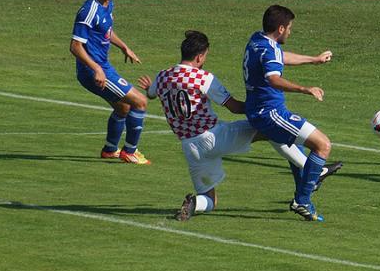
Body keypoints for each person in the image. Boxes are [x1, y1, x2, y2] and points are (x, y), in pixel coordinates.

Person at [137, 30, 341, 221]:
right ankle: (312, 171)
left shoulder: (163, 76)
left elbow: (152, 93)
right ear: (199, 57)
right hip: (213, 137)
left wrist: (148, 89)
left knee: (210, 201)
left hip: (189, 147)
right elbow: (234, 107)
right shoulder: (203, 78)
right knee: (270, 128)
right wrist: (257, 108)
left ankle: (193, 204)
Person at [244, 5, 334, 222]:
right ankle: (302, 199)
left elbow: (280, 57)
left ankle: (305, 193)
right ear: (281, 28)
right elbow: (273, 78)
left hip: (261, 109)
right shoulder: (270, 48)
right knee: (323, 145)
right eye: (290, 28)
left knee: (298, 147)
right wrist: (305, 89)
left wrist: (314, 59)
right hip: (269, 113)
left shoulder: (257, 40)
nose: (291, 32)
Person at [70, 0, 150, 164]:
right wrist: (96, 69)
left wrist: (124, 47)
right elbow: (75, 46)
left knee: (123, 107)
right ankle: (130, 151)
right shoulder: (89, 11)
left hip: (102, 66)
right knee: (140, 102)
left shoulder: (108, 4)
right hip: (93, 71)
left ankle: (110, 150)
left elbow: (106, 30)